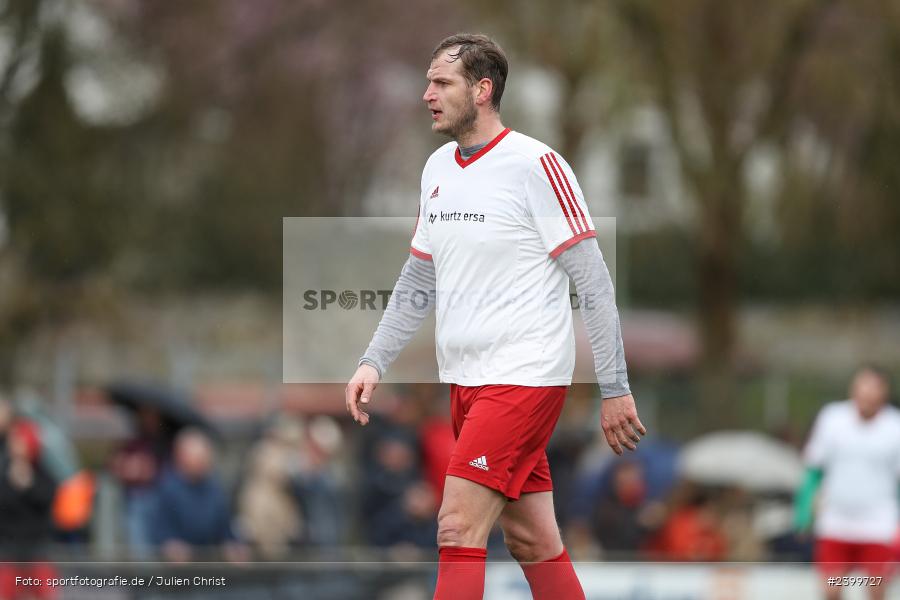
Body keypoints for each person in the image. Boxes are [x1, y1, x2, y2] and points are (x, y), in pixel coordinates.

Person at [345, 33, 645, 600]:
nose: (426, 93)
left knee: (456, 526)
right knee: (533, 541)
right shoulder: (436, 168)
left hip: (524, 379)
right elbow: (418, 277)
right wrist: (374, 360)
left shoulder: (536, 164)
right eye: (428, 81)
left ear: (482, 90)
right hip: (467, 383)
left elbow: (594, 284)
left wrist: (615, 387)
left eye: (441, 82)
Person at [794, 365, 900, 600]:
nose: (867, 394)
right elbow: (814, 468)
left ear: (883, 392)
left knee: (876, 587)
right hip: (836, 520)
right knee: (832, 587)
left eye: (874, 388)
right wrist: (803, 512)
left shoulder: (895, 427)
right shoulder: (832, 418)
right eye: (862, 386)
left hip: (878, 524)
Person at [149, 428, 247, 563]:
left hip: (209, 563)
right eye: (198, 458)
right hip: (178, 570)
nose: (204, 462)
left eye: (205, 457)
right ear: (181, 457)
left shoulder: (214, 487)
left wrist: (232, 544)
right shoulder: (167, 488)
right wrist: (170, 544)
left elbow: (224, 526)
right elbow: (159, 530)